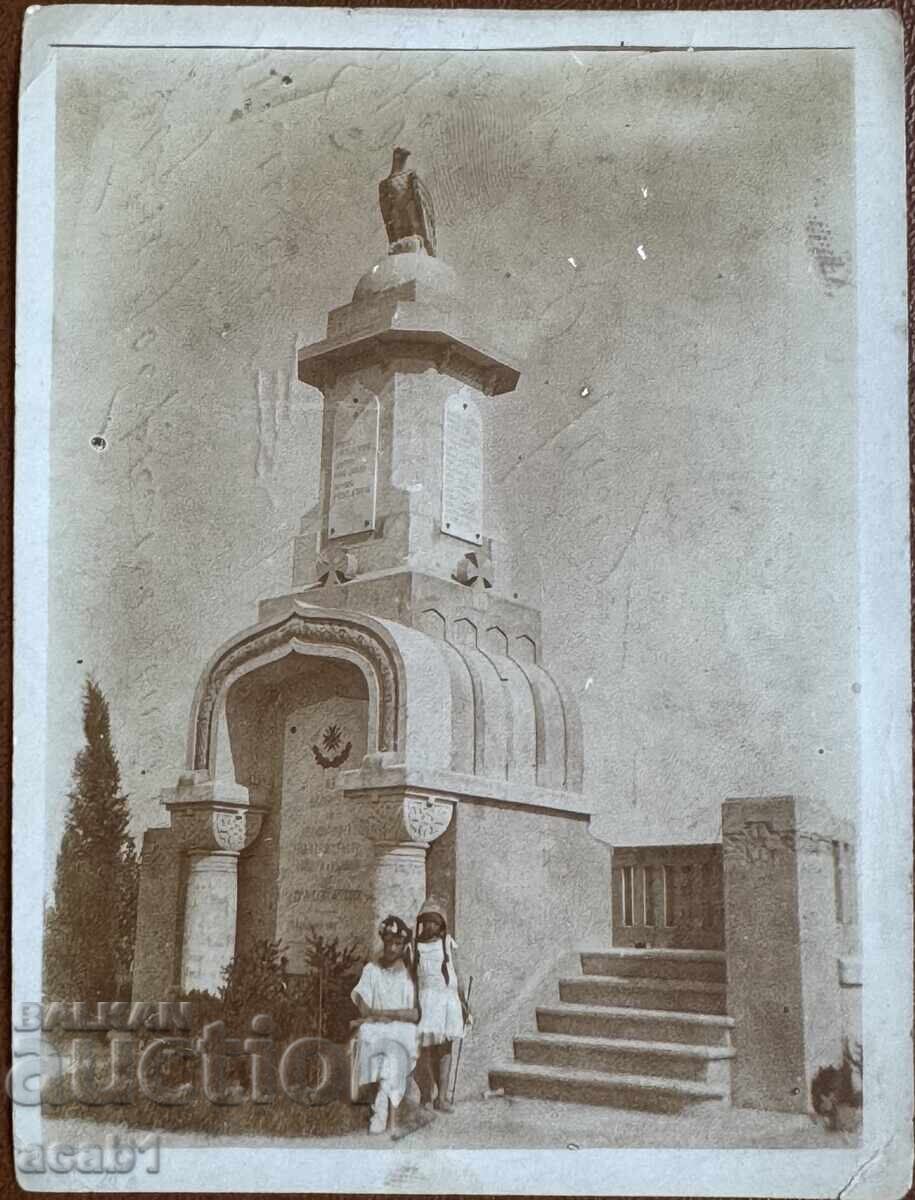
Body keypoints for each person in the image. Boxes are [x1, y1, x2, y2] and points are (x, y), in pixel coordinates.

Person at [350, 915, 419, 1135]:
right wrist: (371, 1013)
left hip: (401, 1027)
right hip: (377, 1026)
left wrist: (386, 1013)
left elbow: (415, 1013)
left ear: (403, 945)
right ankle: (385, 1107)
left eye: (397, 944)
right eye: (388, 942)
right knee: (368, 1032)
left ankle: (380, 1111)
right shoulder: (372, 970)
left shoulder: (409, 974)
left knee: (395, 1045)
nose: (392, 948)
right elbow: (363, 1005)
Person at [413, 897, 471, 1113]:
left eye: (435, 922)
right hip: (426, 1000)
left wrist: (464, 1002)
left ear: (441, 925)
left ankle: (443, 1097)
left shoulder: (447, 943)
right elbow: (413, 977)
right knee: (427, 1049)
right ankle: (427, 1095)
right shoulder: (416, 947)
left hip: (447, 1000)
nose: (430, 926)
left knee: (445, 1048)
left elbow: (457, 973)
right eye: (427, 921)